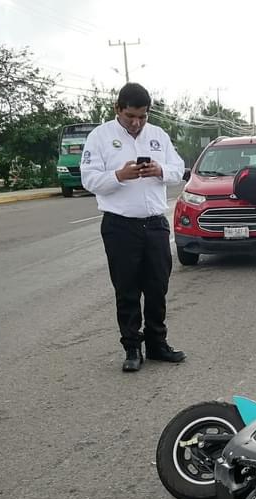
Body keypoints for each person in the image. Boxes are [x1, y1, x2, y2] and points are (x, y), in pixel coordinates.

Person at [81, 82, 187, 372]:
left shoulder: (158, 136)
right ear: (118, 109)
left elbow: (179, 169)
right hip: (120, 225)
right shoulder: (100, 136)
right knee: (127, 289)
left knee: (157, 286)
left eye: (143, 116)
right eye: (131, 116)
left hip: (154, 224)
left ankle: (157, 344)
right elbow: (88, 180)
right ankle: (132, 348)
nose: (137, 122)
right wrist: (119, 175)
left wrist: (160, 170)